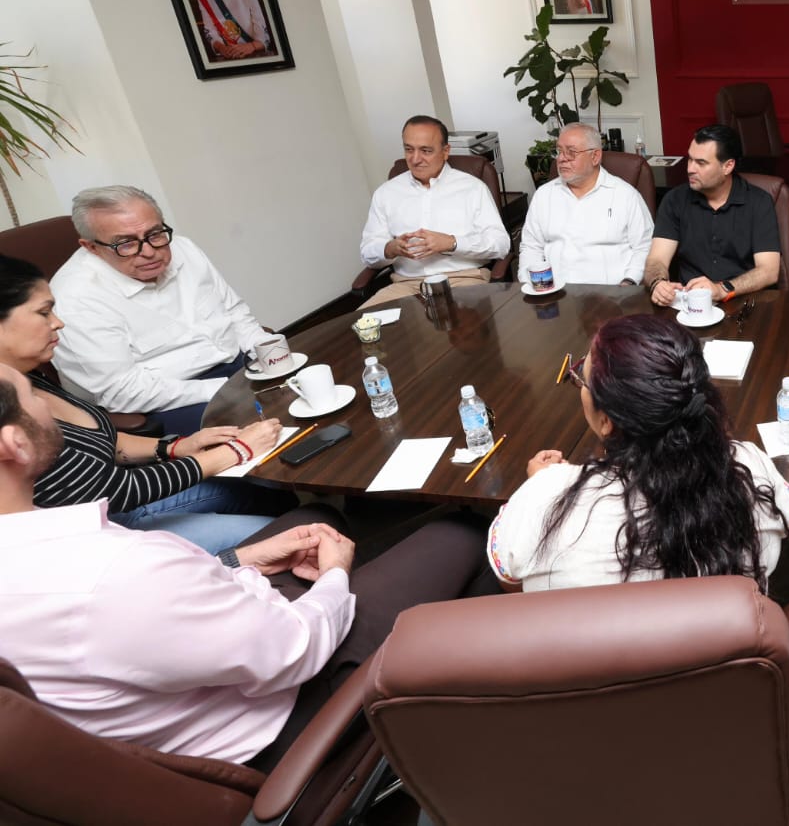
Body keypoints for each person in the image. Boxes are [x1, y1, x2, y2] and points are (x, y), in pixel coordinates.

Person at [0, 362, 497, 769]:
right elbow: (295, 649)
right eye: (32, 396)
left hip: (193, 674)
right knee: (461, 531)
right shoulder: (121, 568)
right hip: (281, 721)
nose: (46, 402)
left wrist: (241, 561)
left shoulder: (55, 553)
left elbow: (150, 611)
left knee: (316, 517)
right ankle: (462, 710)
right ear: (12, 444)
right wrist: (335, 576)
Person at [487, 314, 789, 592]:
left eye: (581, 377)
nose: (579, 382)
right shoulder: (751, 466)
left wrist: (543, 484)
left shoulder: (547, 497)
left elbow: (508, 578)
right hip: (726, 639)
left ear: (606, 420)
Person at [1, 255, 291, 553]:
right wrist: (236, 451)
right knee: (292, 533)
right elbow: (113, 491)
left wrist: (175, 447)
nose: (58, 323)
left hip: (125, 499)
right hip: (108, 532)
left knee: (266, 491)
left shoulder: (27, 374)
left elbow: (102, 441)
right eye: (44, 312)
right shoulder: (8, 412)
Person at [50, 185, 279, 435]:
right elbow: (122, 391)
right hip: (166, 402)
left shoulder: (183, 248)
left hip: (238, 369)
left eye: (155, 233)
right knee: (268, 428)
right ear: (91, 247)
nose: (149, 252)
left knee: (301, 391)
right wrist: (228, 389)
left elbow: (234, 312)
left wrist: (271, 355)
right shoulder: (76, 298)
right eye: (125, 244)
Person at [359, 115, 511, 307]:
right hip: (406, 286)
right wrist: (389, 249)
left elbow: (500, 244)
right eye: (409, 149)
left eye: (425, 151)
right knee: (363, 323)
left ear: (445, 151)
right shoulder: (386, 193)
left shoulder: (473, 188)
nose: (415, 159)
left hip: (463, 280)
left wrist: (452, 243)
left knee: (461, 324)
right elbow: (367, 252)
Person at [644, 124, 781, 307]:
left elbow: (769, 271)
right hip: (690, 303)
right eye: (690, 159)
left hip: (744, 302)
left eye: (701, 163)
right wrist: (658, 283)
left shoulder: (759, 202)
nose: (690, 169)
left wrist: (722, 289)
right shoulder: (674, 200)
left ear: (728, 166)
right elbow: (656, 260)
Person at [518, 123, 652, 286]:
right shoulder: (544, 195)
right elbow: (531, 247)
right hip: (555, 292)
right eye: (559, 151)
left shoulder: (625, 195)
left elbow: (645, 247)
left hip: (612, 294)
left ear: (595, 156)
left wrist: (628, 282)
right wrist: (530, 284)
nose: (561, 158)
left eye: (571, 152)